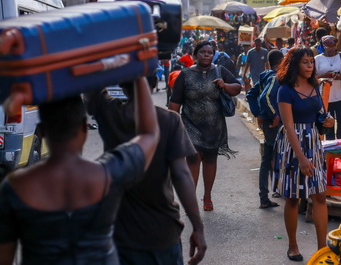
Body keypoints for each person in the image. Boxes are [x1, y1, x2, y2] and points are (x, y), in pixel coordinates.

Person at [0, 78, 159, 264]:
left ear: (42, 131)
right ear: (84, 128)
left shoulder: (15, 188)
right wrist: (139, 74)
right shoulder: (108, 174)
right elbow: (149, 134)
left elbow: (4, 259)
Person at [85, 80, 207, 265]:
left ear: (121, 85)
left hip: (120, 232)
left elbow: (92, 90)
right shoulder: (170, 120)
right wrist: (198, 227)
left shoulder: (110, 113)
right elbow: (181, 175)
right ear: (152, 85)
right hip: (163, 232)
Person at [271, 47, 334, 262]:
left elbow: (319, 116)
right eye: (305, 62)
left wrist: (327, 122)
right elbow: (288, 127)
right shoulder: (285, 90)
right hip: (293, 145)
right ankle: (293, 246)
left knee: (320, 195)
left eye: (311, 62)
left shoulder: (316, 86)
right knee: (293, 197)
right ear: (295, 64)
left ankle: (321, 249)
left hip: (314, 142)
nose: (309, 66)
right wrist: (301, 158)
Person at [169, 41, 242, 212]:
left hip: (213, 126)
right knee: (193, 158)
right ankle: (190, 198)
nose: (206, 55)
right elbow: (174, 103)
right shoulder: (185, 75)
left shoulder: (220, 71)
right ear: (195, 55)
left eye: (210, 52)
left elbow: (237, 88)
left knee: (210, 159)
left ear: (213, 55)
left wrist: (224, 85)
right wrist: (172, 127)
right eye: (203, 52)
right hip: (190, 125)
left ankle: (207, 195)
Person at [246, 50, 285, 209]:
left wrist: (258, 114)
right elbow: (266, 97)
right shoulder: (276, 77)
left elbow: (250, 95)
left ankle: (266, 196)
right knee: (277, 156)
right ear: (281, 62)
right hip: (274, 124)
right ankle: (276, 190)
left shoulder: (265, 75)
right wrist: (274, 115)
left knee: (267, 159)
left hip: (267, 122)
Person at [314, 35, 341, 140]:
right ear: (323, 46)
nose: (331, 48)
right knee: (328, 122)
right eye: (328, 46)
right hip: (325, 96)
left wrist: (340, 77)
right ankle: (331, 148)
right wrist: (324, 76)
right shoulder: (318, 59)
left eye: (333, 45)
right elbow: (313, 77)